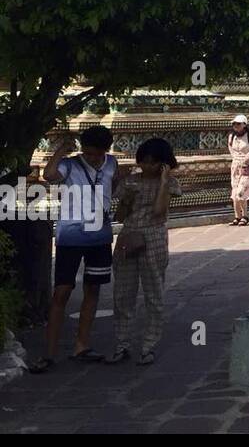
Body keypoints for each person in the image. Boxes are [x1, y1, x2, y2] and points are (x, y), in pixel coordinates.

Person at [29, 124, 122, 373]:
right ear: (83, 149)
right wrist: (60, 151)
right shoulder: (69, 165)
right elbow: (48, 176)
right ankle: (49, 353)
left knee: (93, 289)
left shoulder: (111, 163)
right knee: (61, 291)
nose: (93, 158)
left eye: (98, 153)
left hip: (100, 235)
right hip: (70, 235)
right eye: (89, 153)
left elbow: (114, 187)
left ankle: (82, 345)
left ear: (106, 150)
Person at [109, 138, 182, 366]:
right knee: (122, 293)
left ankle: (149, 344)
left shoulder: (170, 183)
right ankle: (122, 344)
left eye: (152, 162)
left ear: (163, 163)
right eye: (143, 161)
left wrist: (163, 181)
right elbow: (119, 217)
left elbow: (160, 211)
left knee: (154, 293)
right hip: (129, 235)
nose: (146, 166)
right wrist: (127, 201)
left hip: (154, 236)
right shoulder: (129, 182)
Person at [227, 114, 249, 226]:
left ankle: (245, 215)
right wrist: (236, 159)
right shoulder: (231, 136)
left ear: (244, 124)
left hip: (247, 166)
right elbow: (230, 148)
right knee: (234, 192)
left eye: (238, 124)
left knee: (241, 191)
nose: (236, 126)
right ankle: (237, 216)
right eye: (234, 124)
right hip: (236, 166)